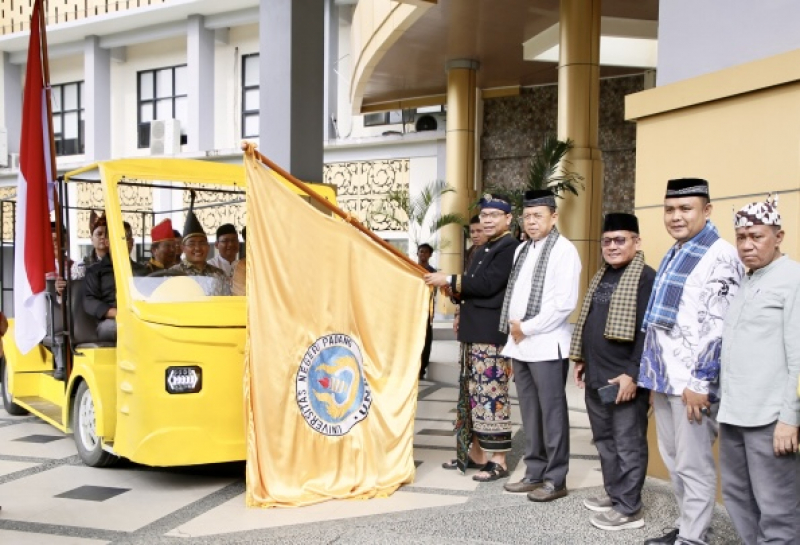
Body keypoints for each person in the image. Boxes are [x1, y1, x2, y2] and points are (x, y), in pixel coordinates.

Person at [638, 178, 744, 545]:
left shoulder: (720, 254)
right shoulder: (676, 251)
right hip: (667, 379)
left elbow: (719, 326)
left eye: (686, 209)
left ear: (707, 210)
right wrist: (652, 378)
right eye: (670, 209)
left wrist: (701, 383)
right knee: (674, 461)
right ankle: (691, 529)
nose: (676, 216)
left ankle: (694, 539)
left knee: (694, 466)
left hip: (693, 385)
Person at [719, 195, 800, 544]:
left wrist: (790, 419)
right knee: (739, 499)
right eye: (741, 237)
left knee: (777, 510)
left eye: (757, 236)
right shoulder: (748, 280)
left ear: (778, 236)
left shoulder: (793, 279)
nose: (747, 245)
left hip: (770, 419)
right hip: (734, 414)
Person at [424, 193, 519, 481]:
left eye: (494, 215)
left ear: (508, 219)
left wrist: (450, 280)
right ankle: (476, 454)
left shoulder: (509, 246)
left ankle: (499, 460)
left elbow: (489, 285)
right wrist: (454, 294)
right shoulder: (484, 247)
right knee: (472, 394)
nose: (487, 220)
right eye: (484, 215)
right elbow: (472, 289)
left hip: (491, 335)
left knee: (492, 395)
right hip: (473, 332)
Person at [571, 213, 655, 530]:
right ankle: (616, 493)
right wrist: (582, 360)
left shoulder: (645, 278)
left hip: (623, 379)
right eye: (607, 241)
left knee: (627, 444)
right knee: (605, 441)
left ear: (636, 242)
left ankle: (630, 508)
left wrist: (633, 374)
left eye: (620, 240)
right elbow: (591, 321)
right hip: (597, 375)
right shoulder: (602, 275)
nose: (612, 246)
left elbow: (648, 332)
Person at [500, 189, 581, 502]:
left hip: (547, 345)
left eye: (538, 216)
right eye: (528, 216)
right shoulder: (522, 250)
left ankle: (555, 478)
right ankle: (534, 472)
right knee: (531, 414)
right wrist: (515, 332)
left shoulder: (565, 251)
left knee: (552, 414)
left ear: (554, 217)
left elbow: (564, 304)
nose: (532, 222)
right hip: (520, 345)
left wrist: (527, 327)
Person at [83, 221, 146, 342]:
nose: (122, 243)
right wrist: (118, 313)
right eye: (117, 238)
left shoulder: (143, 271)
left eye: (126, 238)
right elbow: (89, 301)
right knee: (115, 327)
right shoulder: (95, 271)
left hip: (142, 317)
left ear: (131, 243)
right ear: (107, 242)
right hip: (112, 320)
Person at [170, 207, 230, 296]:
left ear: (208, 247)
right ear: (183, 248)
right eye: (192, 244)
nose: (197, 248)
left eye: (202, 243)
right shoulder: (173, 274)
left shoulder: (219, 274)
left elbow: (227, 303)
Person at [417, 243, 436, 379]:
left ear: (430, 255)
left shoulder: (433, 272)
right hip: (413, 309)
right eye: (421, 252)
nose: (423, 254)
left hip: (426, 309)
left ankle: (422, 368)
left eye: (426, 252)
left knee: (426, 339)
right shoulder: (411, 268)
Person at [71, 211, 109, 280]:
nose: (103, 237)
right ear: (91, 239)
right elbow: (75, 289)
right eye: (99, 234)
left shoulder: (120, 264)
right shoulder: (81, 266)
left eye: (107, 234)